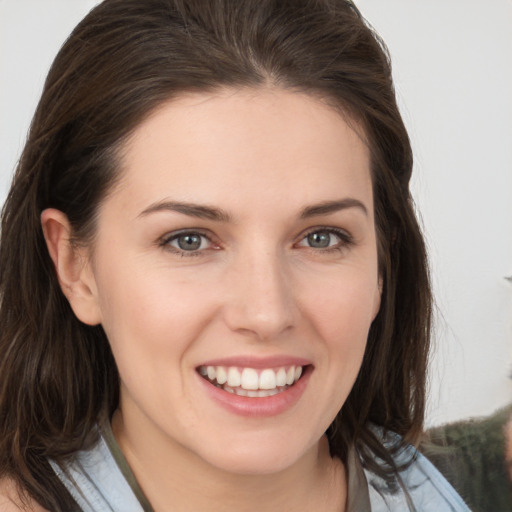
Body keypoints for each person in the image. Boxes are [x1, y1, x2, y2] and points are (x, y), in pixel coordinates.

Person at [0, 1, 470, 510]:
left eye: (321, 237)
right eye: (189, 240)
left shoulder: (445, 487)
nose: (267, 313)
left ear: (381, 265)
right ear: (75, 266)